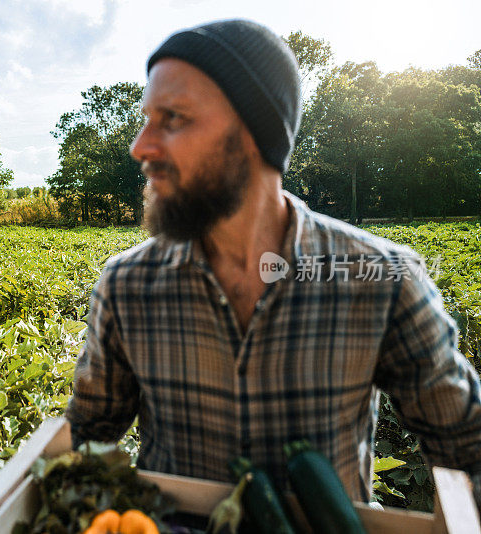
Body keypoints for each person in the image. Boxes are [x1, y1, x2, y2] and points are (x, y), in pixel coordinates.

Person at [63, 18, 481, 506]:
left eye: (173, 118)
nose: (140, 146)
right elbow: (84, 442)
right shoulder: (126, 284)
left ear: (254, 134)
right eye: (146, 119)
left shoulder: (383, 278)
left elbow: (467, 444)